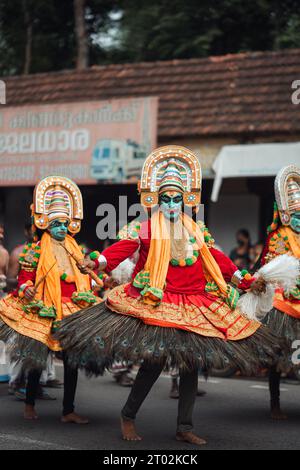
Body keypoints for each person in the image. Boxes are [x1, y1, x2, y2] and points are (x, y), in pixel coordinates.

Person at [56, 145, 280, 446]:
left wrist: (245, 280)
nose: (172, 205)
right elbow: (122, 250)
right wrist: (96, 262)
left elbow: (218, 261)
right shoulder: (147, 229)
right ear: (158, 202)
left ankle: (184, 426)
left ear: (185, 201)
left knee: (190, 366)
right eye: (166, 200)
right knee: (153, 365)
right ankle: (128, 415)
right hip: (159, 301)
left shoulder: (196, 231)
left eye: (177, 199)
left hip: (195, 303)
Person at [0, 176, 102, 422]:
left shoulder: (76, 249)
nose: (61, 228)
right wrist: (26, 289)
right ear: (46, 224)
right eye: (56, 224)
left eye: (64, 223)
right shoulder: (35, 250)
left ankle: (68, 411)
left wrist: (94, 278)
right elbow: (25, 278)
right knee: (37, 359)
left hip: (73, 311)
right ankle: (29, 404)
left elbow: (85, 277)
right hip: (44, 308)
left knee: (72, 362)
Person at [261, 165, 300, 419]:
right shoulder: (279, 237)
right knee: (277, 354)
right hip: (284, 299)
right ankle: (275, 404)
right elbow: (275, 269)